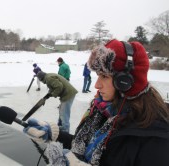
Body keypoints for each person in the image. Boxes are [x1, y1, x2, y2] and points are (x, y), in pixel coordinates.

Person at [24, 39, 169, 166]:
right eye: (98, 76)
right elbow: (86, 146)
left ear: (125, 82)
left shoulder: (154, 135)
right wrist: (55, 135)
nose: (97, 85)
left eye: (104, 76)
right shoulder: (101, 110)